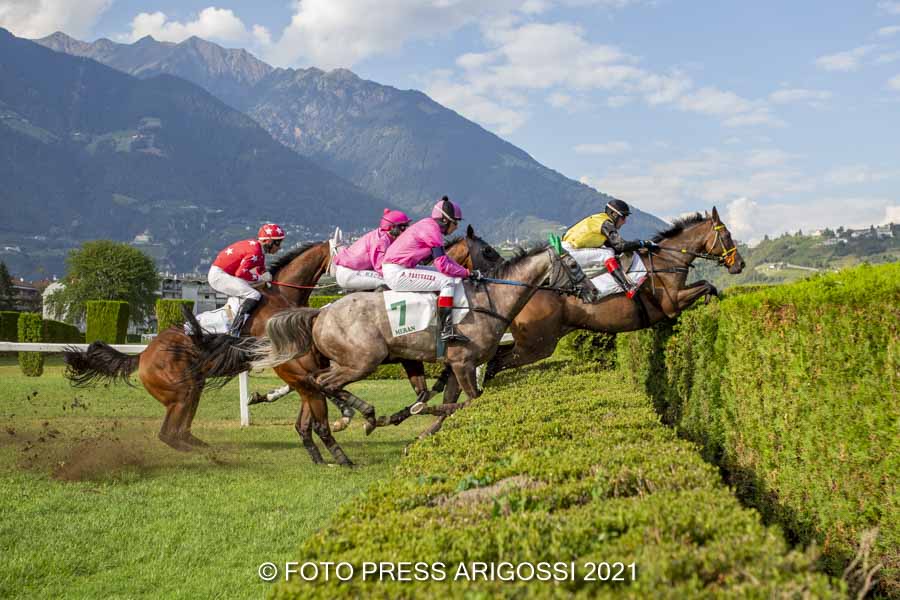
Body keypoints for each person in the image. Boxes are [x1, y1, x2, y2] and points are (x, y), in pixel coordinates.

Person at [382, 196, 479, 343]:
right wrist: (467, 272)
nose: (457, 226)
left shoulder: (428, 225)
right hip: (397, 272)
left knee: (447, 277)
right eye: (456, 222)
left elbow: (443, 262)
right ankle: (445, 329)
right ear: (445, 220)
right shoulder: (433, 231)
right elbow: (443, 265)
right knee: (447, 282)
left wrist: (463, 272)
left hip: (399, 268)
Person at [561, 199, 658, 298]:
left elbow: (615, 248)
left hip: (568, 250)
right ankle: (627, 287)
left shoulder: (600, 219)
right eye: (623, 217)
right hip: (570, 252)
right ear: (613, 214)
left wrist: (638, 246)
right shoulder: (606, 223)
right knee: (607, 254)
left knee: (609, 251)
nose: (625, 221)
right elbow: (620, 246)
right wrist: (642, 243)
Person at [208, 223, 285, 336]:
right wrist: (260, 278)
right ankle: (235, 329)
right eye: (277, 242)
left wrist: (265, 275)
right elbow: (241, 273)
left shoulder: (258, 250)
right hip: (219, 276)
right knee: (253, 295)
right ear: (268, 241)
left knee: (255, 290)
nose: (279, 247)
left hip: (226, 274)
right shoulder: (256, 251)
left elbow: (260, 269)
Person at [333, 209, 411, 291]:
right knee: (391, 281)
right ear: (392, 227)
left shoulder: (386, 237)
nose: (405, 230)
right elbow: (380, 267)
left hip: (354, 271)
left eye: (406, 226)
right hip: (349, 273)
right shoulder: (381, 241)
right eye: (402, 227)